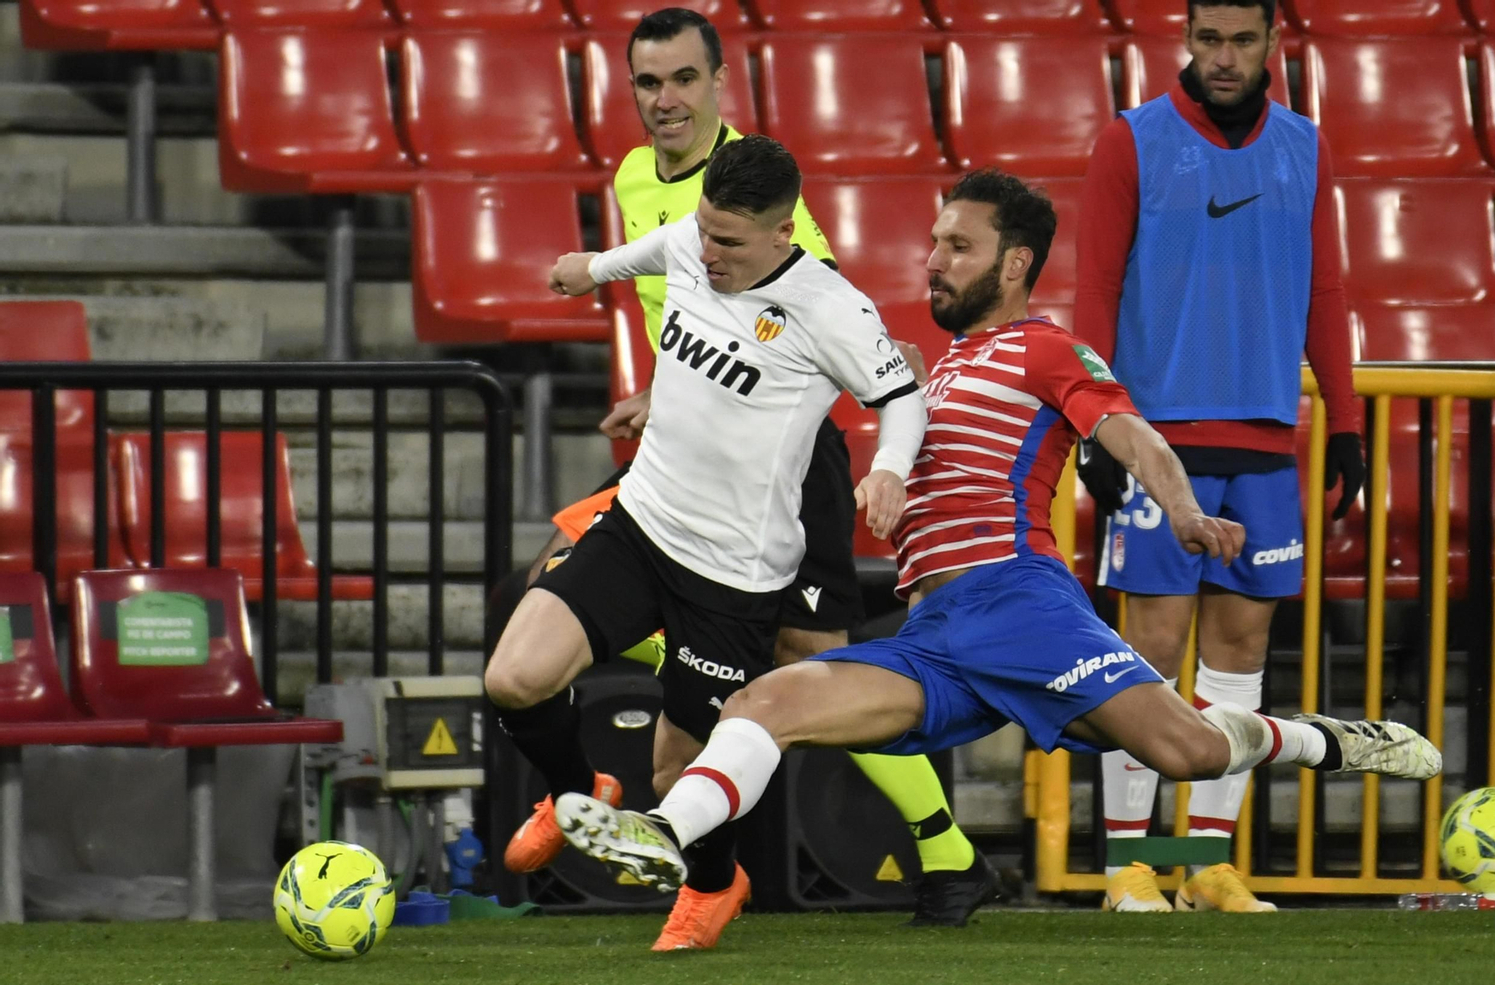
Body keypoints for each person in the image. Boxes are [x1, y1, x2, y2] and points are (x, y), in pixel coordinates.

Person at [549, 170, 1439, 899]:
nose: (932, 259)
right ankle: (662, 833)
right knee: (762, 707)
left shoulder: (1043, 349)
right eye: (934, 241)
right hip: (935, 633)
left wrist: (1181, 509)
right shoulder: (940, 368)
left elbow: (1130, 431)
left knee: (1188, 750)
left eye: (957, 247)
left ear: (1014, 264)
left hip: (1016, 602)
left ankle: (1325, 739)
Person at [488, 6, 993, 935]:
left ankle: (942, 847)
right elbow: (674, 298)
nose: (666, 99)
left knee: (815, 667)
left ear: (720, 84)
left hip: (789, 468)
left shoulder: (766, 201)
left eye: (684, 79)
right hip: (683, 457)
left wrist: (889, 465)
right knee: (549, 623)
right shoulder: (641, 182)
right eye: (649, 83)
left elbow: (814, 336)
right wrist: (657, 388)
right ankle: (596, 784)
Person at [1073, 0, 1366, 913]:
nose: (1225, 57)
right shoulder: (1132, 141)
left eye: (1243, 40)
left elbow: (1325, 288)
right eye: (1210, 40)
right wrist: (1097, 423)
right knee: (1148, 654)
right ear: (1186, 40)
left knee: (1241, 653)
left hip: (1268, 438)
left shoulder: (1305, 147)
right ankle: (1135, 864)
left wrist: (1346, 420)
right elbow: (1095, 286)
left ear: (1275, 43)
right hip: (1160, 440)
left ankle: (1206, 864)